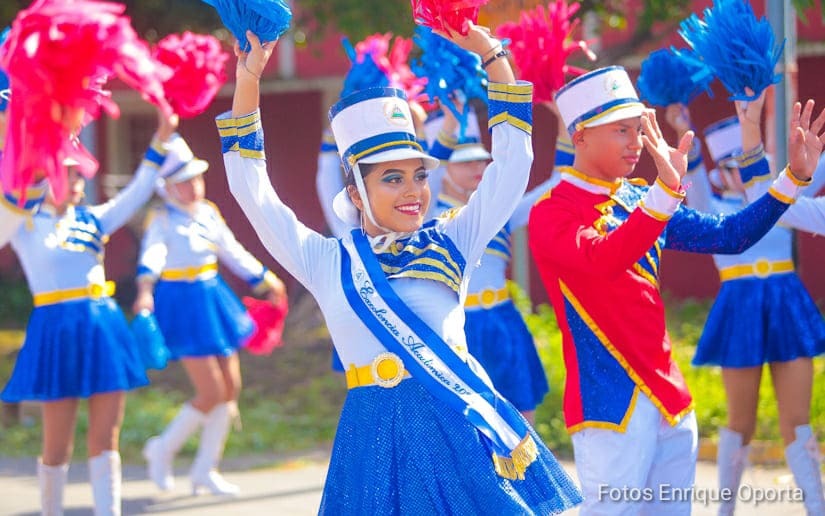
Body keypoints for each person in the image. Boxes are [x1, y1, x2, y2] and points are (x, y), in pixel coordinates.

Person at [219, 23, 582, 514]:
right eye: (393, 178)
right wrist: (248, 83)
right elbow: (253, 191)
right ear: (355, 192)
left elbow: (513, 164)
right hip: (372, 440)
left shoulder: (454, 239)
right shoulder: (327, 260)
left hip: (458, 429)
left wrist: (492, 56)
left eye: (417, 176)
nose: (413, 191)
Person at [528, 65, 825, 515]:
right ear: (581, 136)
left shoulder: (639, 197)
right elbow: (604, 258)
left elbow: (729, 235)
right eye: (622, 130)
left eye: (639, 128)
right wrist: (664, 194)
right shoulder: (552, 212)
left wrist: (792, 180)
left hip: (670, 398)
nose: (636, 142)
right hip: (609, 403)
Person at [0, 106, 178, 516]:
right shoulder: (24, 222)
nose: (77, 179)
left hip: (102, 327)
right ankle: (51, 511)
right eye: (67, 172)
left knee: (105, 438)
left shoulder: (95, 219)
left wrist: (162, 138)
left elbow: (137, 190)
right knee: (57, 444)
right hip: (55, 330)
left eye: (78, 173)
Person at [667, 95, 825, 515]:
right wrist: (685, 127)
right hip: (740, 311)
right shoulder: (714, 211)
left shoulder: (785, 201)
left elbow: (809, 165)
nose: (741, 172)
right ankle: (725, 509)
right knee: (741, 421)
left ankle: (816, 506)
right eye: (733, 164)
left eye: (746, 161)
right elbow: (694, 184)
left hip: (787, 305)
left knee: (798, 418)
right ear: (724, 170)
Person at [133, 137, 285, 496]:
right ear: (167, 187)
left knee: (231, 389)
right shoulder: (160, 219)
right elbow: (152, 254)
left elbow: (231, 250)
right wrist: (144, 289)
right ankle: (162, 448)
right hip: (181, 304)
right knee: (211, 390)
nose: (192, 187)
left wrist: (265, 278)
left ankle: (205, 470)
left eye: (196, 178)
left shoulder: (209, 212)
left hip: (213, 297)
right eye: (183, 181)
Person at [429, 103, 570, 423]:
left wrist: (562, 122)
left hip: (504, 319)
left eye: (481, 159)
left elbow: (558, 184)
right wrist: (448, 126)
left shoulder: (499, 210)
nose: (477, 167)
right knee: (464, 422)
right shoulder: (428, 217)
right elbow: (427, 180)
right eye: (464, 162)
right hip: (457, 326)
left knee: (522, 415)